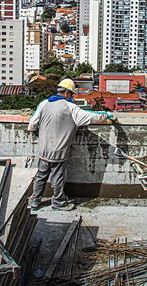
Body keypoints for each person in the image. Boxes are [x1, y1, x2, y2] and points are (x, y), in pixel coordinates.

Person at [27, 78, 113, 211]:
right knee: (58, 178)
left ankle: (34, 201)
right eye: (71, 94)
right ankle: (58, 202)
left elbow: (32, 124)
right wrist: (106, 115)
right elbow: (90, 116)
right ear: (67, 93)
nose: (72, 97)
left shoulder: (44, 104)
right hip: (59, 152)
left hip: (44, 150)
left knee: (40, 176)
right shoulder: (70, 107)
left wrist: (39, 132)